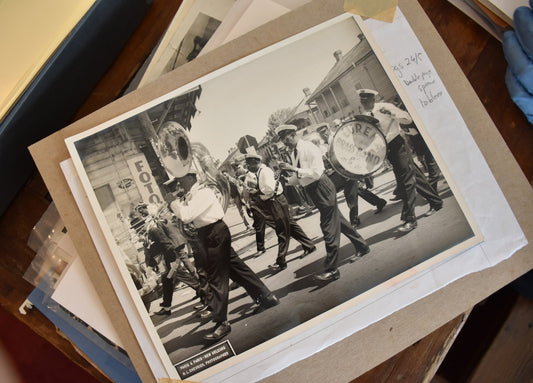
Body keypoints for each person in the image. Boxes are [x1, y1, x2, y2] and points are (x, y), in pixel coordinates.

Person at [170, 171, 279, 341]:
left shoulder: (203, 193)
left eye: (180, 180)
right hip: (208, 234)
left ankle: (221, 323)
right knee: (237, 270)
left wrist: (174, 204)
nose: (178, 184)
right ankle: (266, 297)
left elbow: (186, 216)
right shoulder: (192, 196)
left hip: (214, 232)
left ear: (191, 178)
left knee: (217, 278)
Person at [276, 125, 370, 282]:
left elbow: (317, 172)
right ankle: (362, 246)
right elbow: (301, 178)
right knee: (339, 221)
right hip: (313, 190)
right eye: (282, 139)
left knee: (328, 227)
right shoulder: (293, 153)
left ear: (293, 134)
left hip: (322, 187)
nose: (284, 142)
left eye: (285, 137)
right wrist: (288, 180)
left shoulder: (308, 147)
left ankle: (332, 269)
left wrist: (294, 169)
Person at [357, 89, 443, 233]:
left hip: (399, 145)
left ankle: (410, 219)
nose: (363, 103)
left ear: (372, 99)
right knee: (415, 176)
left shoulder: (385, 107)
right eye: (361, 101)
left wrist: (392, 114)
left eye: (365, 100)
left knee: (406, 182)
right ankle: (436, 202)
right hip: (388, 150)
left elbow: (407, 119)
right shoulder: (365, 116)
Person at [244, 154, 316, 272]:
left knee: (282, 231)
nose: (248, 167)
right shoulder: (260, 171)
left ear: (255, 161)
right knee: (291, 226)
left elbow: (270, 189)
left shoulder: (264, 172)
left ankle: (281, 261)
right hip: (276, 201)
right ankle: (309, 246)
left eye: (249, 164)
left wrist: (258, 193)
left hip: (276, 201)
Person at [135, 203, 200, 316]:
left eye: (138, 232)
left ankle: (205, 292)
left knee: (180, 276)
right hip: (167, 262)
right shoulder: (148, 235)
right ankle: (166, 307)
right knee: (167, 281)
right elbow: (153, 250)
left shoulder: (154, 231)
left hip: (171, 261)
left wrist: (172, 263)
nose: (138, 235)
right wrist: (150, 265)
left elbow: (167, 245)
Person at [314, 124, 387, 226]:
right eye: (321, 133)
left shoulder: (337, 139)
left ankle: (354, 220)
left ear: (328, 130)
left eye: (325, 131)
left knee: (349, 194)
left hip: (347, 169)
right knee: (357, 190)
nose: (324, 134)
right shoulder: (323, 146)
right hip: (338, 173)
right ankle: (379, 202)